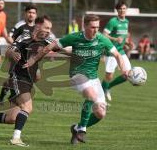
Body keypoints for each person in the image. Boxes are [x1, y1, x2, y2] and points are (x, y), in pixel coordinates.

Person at [23, 14, 128, 144]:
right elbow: (50, 46)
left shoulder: (102, 39)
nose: (95, 30)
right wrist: (34, 59)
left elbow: (117, 54)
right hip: (77, 75)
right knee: (91, 95)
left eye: (97, 27)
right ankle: (82, 130)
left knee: (100, 113)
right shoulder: (74, 37)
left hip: (93, 78)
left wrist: (124, 69)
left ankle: (77, 128)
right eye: (92, 27)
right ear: (85, 26)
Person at [0, 15, 55, 147]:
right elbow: (8, 51)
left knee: (12, 118)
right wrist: (12, 54)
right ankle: (16, 138)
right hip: (18, 77)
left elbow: (62, 48)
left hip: (28, 82)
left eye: (50, 29)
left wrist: (78, 50)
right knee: (27, 107)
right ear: (38, 25)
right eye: (46, 27)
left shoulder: (48, 41)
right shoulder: (25, 37)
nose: (48, 31)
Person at [0, 4, 38, 103]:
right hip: (16, 56)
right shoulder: (20, 25)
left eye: (33, 13)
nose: (31, 15)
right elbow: (9, 37)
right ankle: (5, 96)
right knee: (12, 77)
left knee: (35, 76)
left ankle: (14, 95)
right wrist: (16, 46)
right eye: (29, 12)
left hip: (29, 58)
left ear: (36, 15)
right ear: (25, 13)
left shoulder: (37, 28)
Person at [101, 1, 132, 101]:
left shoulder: (126, 22)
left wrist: (127, 43)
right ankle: (101, 94)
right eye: (120, 9)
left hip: (121, 51)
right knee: (109, 76)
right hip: (111, 52)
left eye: (124, 8)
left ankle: (108, 88)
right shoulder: (113, 21)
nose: (122, 10)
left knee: (128, 74)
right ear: (117, 10)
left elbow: (123, 37)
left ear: (126, 9)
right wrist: (115, 39)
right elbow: (104, 34)